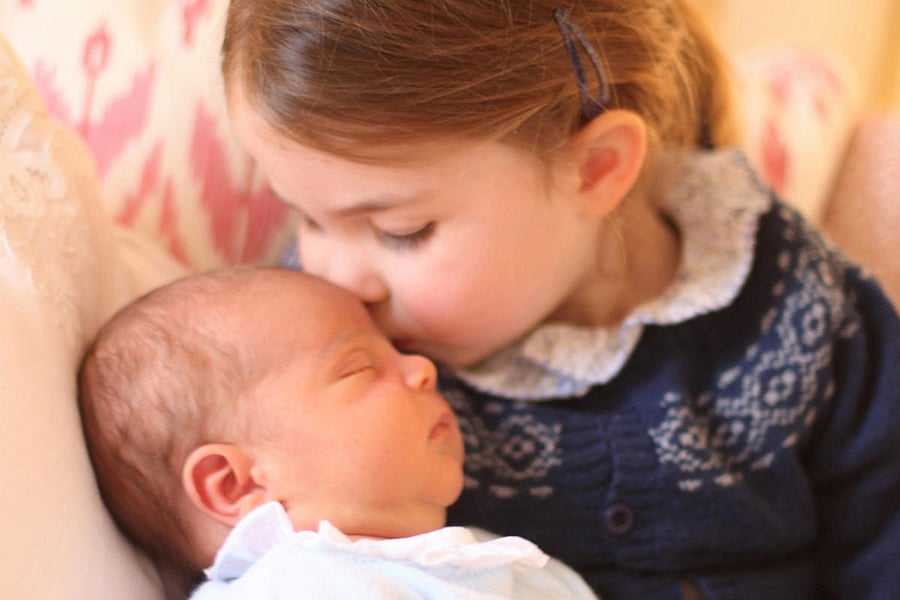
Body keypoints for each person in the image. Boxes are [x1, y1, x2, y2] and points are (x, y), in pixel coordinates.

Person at [219, 1, 900, 598]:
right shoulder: (328, 349)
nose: (337, 276)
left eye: (404, 231)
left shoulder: (797, 303)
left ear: (596, 169)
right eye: (306, 219)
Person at [77, 267, 598, 599]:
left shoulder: (496, 559)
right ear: (237, 485)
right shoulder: (293, 586)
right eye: (359, 369)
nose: (422, 369)